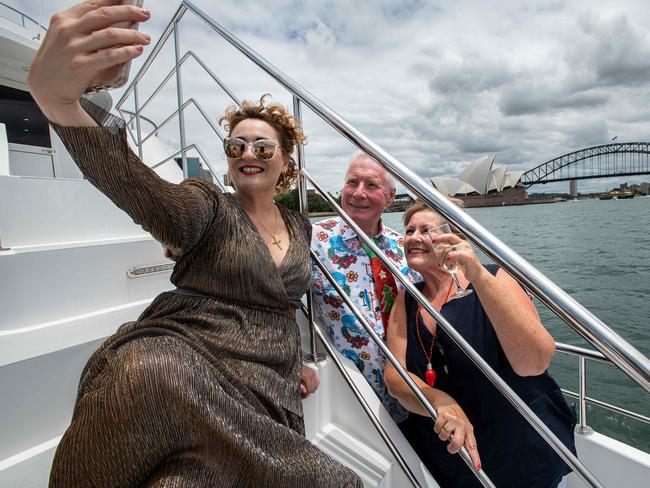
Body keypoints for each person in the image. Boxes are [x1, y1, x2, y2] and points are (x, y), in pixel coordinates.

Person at [28, 2, 362, 486]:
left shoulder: (302, 225)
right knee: (148, 370)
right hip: (193, 356)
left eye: (263, 147)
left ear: (285, 163)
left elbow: (288, 305)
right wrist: (61, 105)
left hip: (265, 385)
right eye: (236, 146)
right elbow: (142, 191)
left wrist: (299, 362)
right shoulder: (207, 205)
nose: (248, 153)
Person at [385, 201, 577, 488]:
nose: (412, 237)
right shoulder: (406, 300)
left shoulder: (493, 278)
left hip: (522, 457)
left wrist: (476, 273)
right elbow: (395, 376)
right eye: (409, 230)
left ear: (453, 236)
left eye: (425, 230)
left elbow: (534, 363)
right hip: (452, 463)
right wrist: (437, 400)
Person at [311, 152, 415, 423]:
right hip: (350, 395)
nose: (358, 193)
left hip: (410, 391)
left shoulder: (404, 248)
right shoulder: (314, 241)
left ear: (391, 197)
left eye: (371, 185)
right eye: (352, 182)